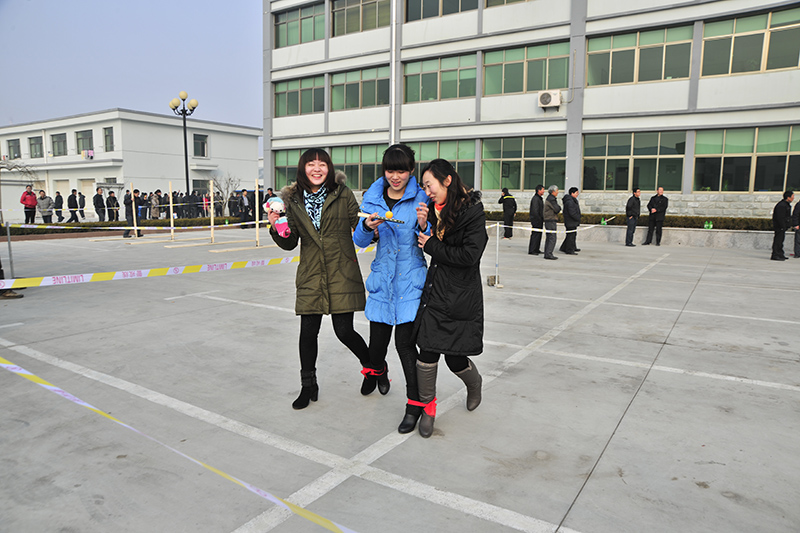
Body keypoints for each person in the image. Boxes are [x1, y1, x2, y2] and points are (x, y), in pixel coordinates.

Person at [268, 148, 371, 410]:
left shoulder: (342, 193)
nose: (317, 169)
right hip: (311, 273)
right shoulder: (293, 200)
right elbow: (290, 242)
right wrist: (276, 226)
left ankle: (374, 368)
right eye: (311, 164)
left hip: (341, 271)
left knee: (344, 331)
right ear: (303, 169)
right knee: (307, 333)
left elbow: (357, 225)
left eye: (322, 164)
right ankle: (308, 385)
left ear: (329, 168)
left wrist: (370, 226)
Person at [353, 144, 429, 433]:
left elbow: (431, 237)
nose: (395, 177)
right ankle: (378, 370)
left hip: (410, 280)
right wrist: (367, 227)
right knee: (376, 346)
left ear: (411, 171)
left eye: (401, 171)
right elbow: (360, 241)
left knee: (405, 346)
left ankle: (414, 404)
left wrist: (424, 225)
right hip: (383, 280)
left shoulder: (421, 197)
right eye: (390, 171)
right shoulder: (372, 199)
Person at [414, 159, 487, 438]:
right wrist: (424, 224)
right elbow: (428, 240)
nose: (427, 192)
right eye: (424, 187)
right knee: (427, 352)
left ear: (447, 180)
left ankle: (474, 383)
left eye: (429, 185)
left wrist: (432, 244)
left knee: (455, 359)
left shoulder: (473, 212)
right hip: (436, 291)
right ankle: (428, 409)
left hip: (460, 296)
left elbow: (469, 256)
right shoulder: (435, 210)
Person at [771, 190, 794, 261]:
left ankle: (780, 254)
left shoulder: (786, 205)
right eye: (792, 196)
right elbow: (780, 217)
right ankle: (775, 255)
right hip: (779, 226)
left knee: (781, 241)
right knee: (778, 241)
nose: (793, 198)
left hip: (783, 227)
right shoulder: (781, 205)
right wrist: (783, 226)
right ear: (788, 197)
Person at [559, 187, 581, 255]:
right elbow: (572, 213)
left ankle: (567, 247)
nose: (578, 194)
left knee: (572, 235)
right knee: (571, 236)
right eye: (576, 192)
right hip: (570, 221)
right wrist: (578, 218)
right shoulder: (569, 202)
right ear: (572, 193)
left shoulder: (573, 200)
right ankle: (569, 250)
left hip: (572, 221)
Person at [543, 185, 560, 260]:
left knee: (549, 237)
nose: (558, 192)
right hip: (550, 220)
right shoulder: (552, 199)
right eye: (557, 191)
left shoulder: (549, 198)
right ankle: (549, 254)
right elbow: (557, 209)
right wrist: (559, 208)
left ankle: (547, 253)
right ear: (553, 191)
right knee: (552, 238)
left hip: (548, 220)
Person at [528, 185, 544, 255]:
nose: (543, 191)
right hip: (536, 220)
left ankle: (536, 249)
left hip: (539, 219)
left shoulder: (539, 198)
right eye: (543, 189)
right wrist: (538, 219)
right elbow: (535, 211)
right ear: (539, 190)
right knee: (535, 235)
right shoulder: (535, 199)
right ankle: (532, 250)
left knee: (539, 235)